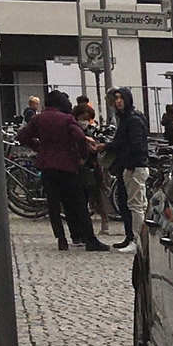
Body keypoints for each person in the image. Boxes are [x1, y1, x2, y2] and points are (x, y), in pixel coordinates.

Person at [15, 85, 109, 252]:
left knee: (53, 204)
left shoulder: (38, 118)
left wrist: (37, 145)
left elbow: (22, 136)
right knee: (78, 202)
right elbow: (80, 137)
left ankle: (61, 238)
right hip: (67, 165)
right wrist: (81, 156)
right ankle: (89, 239)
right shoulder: (66, 119)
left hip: (47, 165)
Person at [107, 88, 151, 236]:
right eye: (116, 98)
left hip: (134, 166)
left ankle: (137, 239)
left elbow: (135, 144)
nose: (118, 101)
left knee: (136, 205)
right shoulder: (127, 118)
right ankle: (134, 237)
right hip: (131, 165)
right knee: (134, 204)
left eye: (121, 98)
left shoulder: (132, 119)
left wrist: (131, 164)